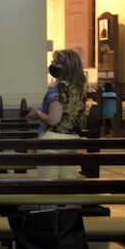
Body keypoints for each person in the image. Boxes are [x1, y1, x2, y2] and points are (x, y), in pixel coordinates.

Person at [26, 49, 87, 179]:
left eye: (55, 62)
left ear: (65, 67)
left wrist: (37, 113)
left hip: (54, 139)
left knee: (48, 184)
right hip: (73, 139)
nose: (51, 65)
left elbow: (54, 119)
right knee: (68, 181)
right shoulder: (79, 88)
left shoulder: (59, 87)